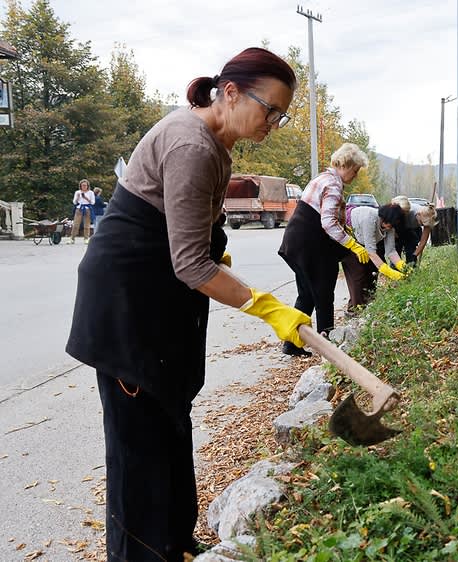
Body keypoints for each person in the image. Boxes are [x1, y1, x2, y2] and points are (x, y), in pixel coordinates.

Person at [65, 47, 308, 562]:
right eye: (272, 109)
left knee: (171, 423)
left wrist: (212, 245)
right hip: (128, 307)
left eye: (282, 115)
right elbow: (192, 266)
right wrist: (269, 308)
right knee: (139, 446)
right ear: (232, 92)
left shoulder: (215, 147)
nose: (275, 123)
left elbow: (190, 235)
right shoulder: (192, 144)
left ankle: (174, 543)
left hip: (158, 302)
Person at [278, 143, 371, 356]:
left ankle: (292, 343)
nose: (355, 175)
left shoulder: (322, 178)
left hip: (296, 242)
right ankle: (329, 349)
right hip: (310, 245)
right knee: (323, 295)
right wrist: (352, 244)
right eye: (355, 170)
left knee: (307, 296)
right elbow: (328, 222)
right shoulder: (333, 185)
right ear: (346, 165)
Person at [341, 203, 407, 311]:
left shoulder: (390, 225)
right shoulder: (369, 220)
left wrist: (403, 267)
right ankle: (355, 309)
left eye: (392, 226)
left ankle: (370, 305)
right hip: (349, 239)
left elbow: (391, 251)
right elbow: (371, 252)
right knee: (358, 275)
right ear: (384, 219)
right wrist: (389, 272)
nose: (390, 228)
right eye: (389, 225)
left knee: (372, 272)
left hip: (365, 242)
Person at [391, 195, 438, 265]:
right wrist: (394, 233)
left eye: (424, 225)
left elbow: (423, 241)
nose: (423, 225)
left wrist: (415, 255)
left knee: (411, 250)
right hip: (399, 227)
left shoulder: (428, 216)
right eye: (422, 223)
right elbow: (391, 222)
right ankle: (394, 268)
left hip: (413, 230)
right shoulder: (407, 210)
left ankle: (411, 268)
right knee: (397, 248)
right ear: (418, 215)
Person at [68, 179, 95, 244]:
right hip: (79, 209)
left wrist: (86, 198)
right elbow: (74, 202)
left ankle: (86, 238)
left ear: (88, 186)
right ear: (80, 186)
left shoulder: (91, 192)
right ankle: (72, 238)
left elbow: (93, 202)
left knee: (87, 225)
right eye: (82, 185)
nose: (84, 186)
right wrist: (77, 197)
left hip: (87, 209)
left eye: (85, 185)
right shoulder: (77, 192)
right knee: (76, 224)